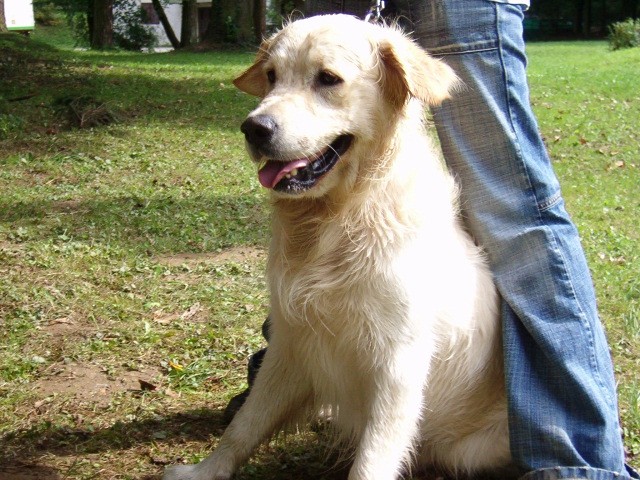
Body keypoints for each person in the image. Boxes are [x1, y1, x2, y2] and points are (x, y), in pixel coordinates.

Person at [226, 2, 640, 479]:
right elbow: (290, 350)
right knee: (299, 335)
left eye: (328, 81)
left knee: (516, 209)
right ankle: (315, 398)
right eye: (274, 79)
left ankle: (577, 461)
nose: (264, 114)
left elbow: (432, 83)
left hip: (470, 436)